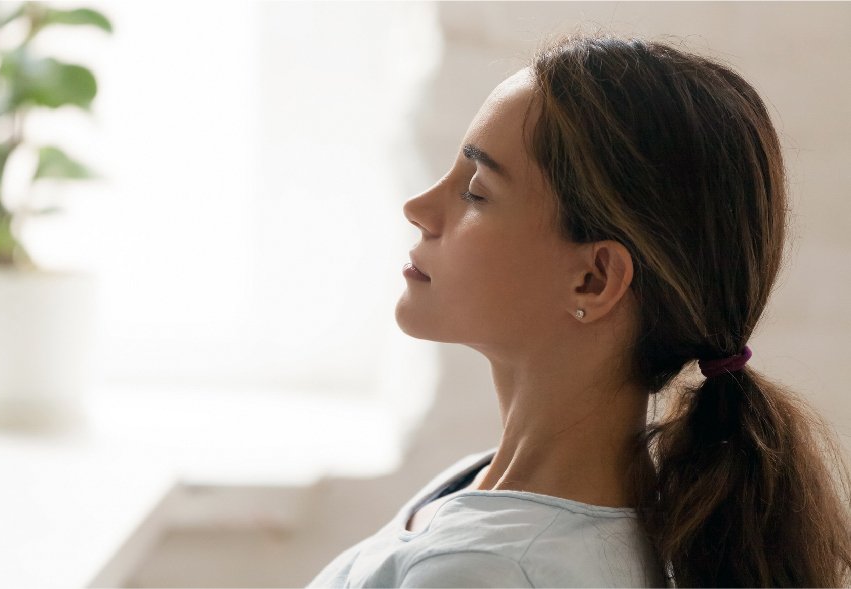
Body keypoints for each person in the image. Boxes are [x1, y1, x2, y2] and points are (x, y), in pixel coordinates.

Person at [306, 34, 851, 588]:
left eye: (475, 189)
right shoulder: (478, 487)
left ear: (594, 280)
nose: (418, 208)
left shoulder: (489, 571)